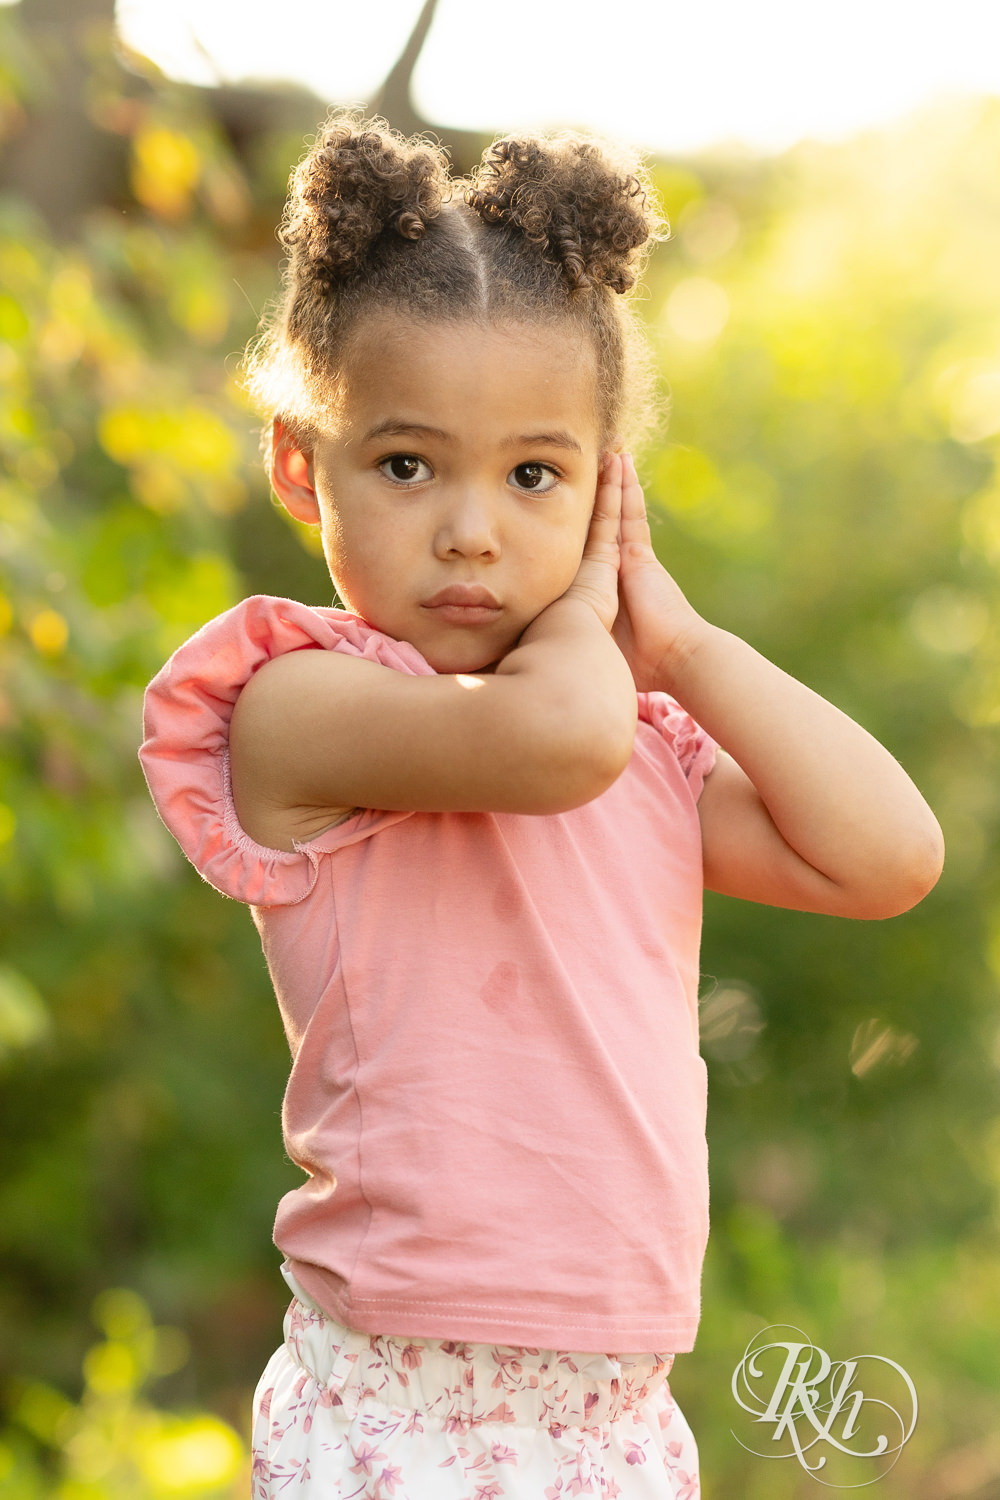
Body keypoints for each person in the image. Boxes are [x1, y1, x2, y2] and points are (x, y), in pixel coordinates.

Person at [138, 112, 944, 1499]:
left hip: (614, 1413)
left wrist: (684, 647)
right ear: (298, 465)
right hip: (396, 1392)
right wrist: (595, 616)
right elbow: (550, 742)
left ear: (604, 489)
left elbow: (891, 856)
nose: (473, 529)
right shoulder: (302, 701)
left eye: (535, 474)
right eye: (407, 465)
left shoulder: (638, 743)